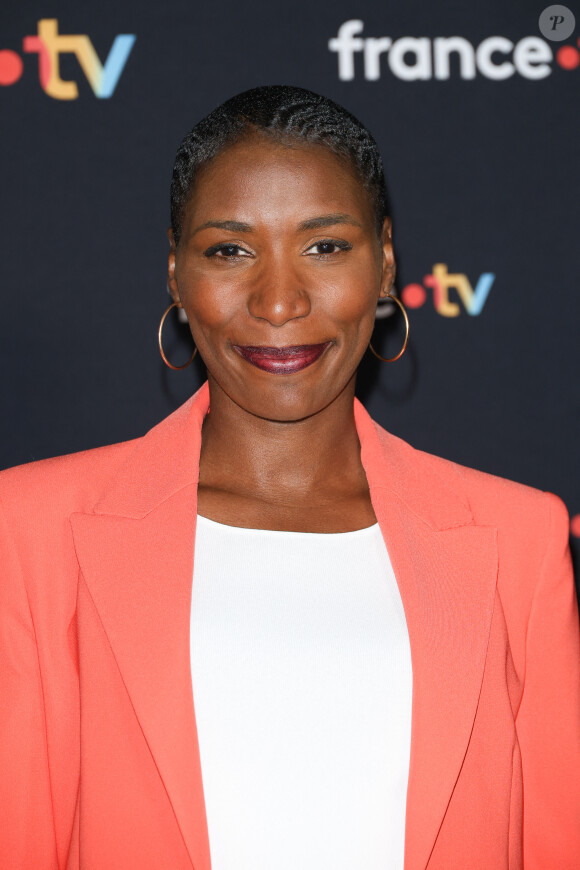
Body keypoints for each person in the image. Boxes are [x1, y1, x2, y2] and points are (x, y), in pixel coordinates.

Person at [0, 85, 579, 870]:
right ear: (175, 275)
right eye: (230, 250)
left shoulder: (521, 539)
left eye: (325, 246)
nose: (278, 301)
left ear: (385, 267)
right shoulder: (28, 530)